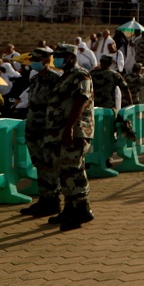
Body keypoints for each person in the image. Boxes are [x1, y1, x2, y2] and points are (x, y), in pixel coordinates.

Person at [44, 43, 96, 232]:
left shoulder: (80, 75)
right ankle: (70, 208)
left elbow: (81, 99)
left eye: (60, 56)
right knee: (64, 171)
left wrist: (70, 128)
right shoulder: (64, 77)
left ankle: (82, 210)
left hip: (75, 130)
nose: (56, 59)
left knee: (73, 170)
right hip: (59, 132)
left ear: (71, 57)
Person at [19, 47, 63, 218]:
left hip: (47, 129)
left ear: (46, 60)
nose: (33, 63)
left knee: (49, 164)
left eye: (37, 59)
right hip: (33, 127)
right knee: (39, 164)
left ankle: (53, 201)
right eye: (32, 60)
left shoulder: (56, 79)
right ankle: (44, 199)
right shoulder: (36, 79)